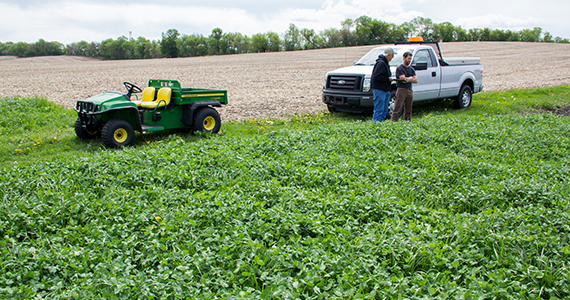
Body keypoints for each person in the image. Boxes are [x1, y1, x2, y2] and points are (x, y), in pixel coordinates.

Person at [370, 47, 396, 122]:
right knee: (379, 110)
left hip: (385, 89)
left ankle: (381, 124)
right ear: (389, 55)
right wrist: (388, 78)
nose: (392, 57)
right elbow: (377, 76)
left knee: (384, 110)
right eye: (392, 55)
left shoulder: (385, 63)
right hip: (379, 89)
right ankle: (376, 125)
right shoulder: (381, 63)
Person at [391, 51, 417, 121]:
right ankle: (394, 122)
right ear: (404, 58)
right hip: (401, 90)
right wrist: (410, 78)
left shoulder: (411, 69)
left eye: (410, 59)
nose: (409, 60)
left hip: (409, 89)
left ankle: (407, 121)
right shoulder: (400, 68)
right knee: (397, 108)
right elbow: (403, 79)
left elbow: (416, 80)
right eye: (408, 58)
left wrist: (408, 79)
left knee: (408, 109)